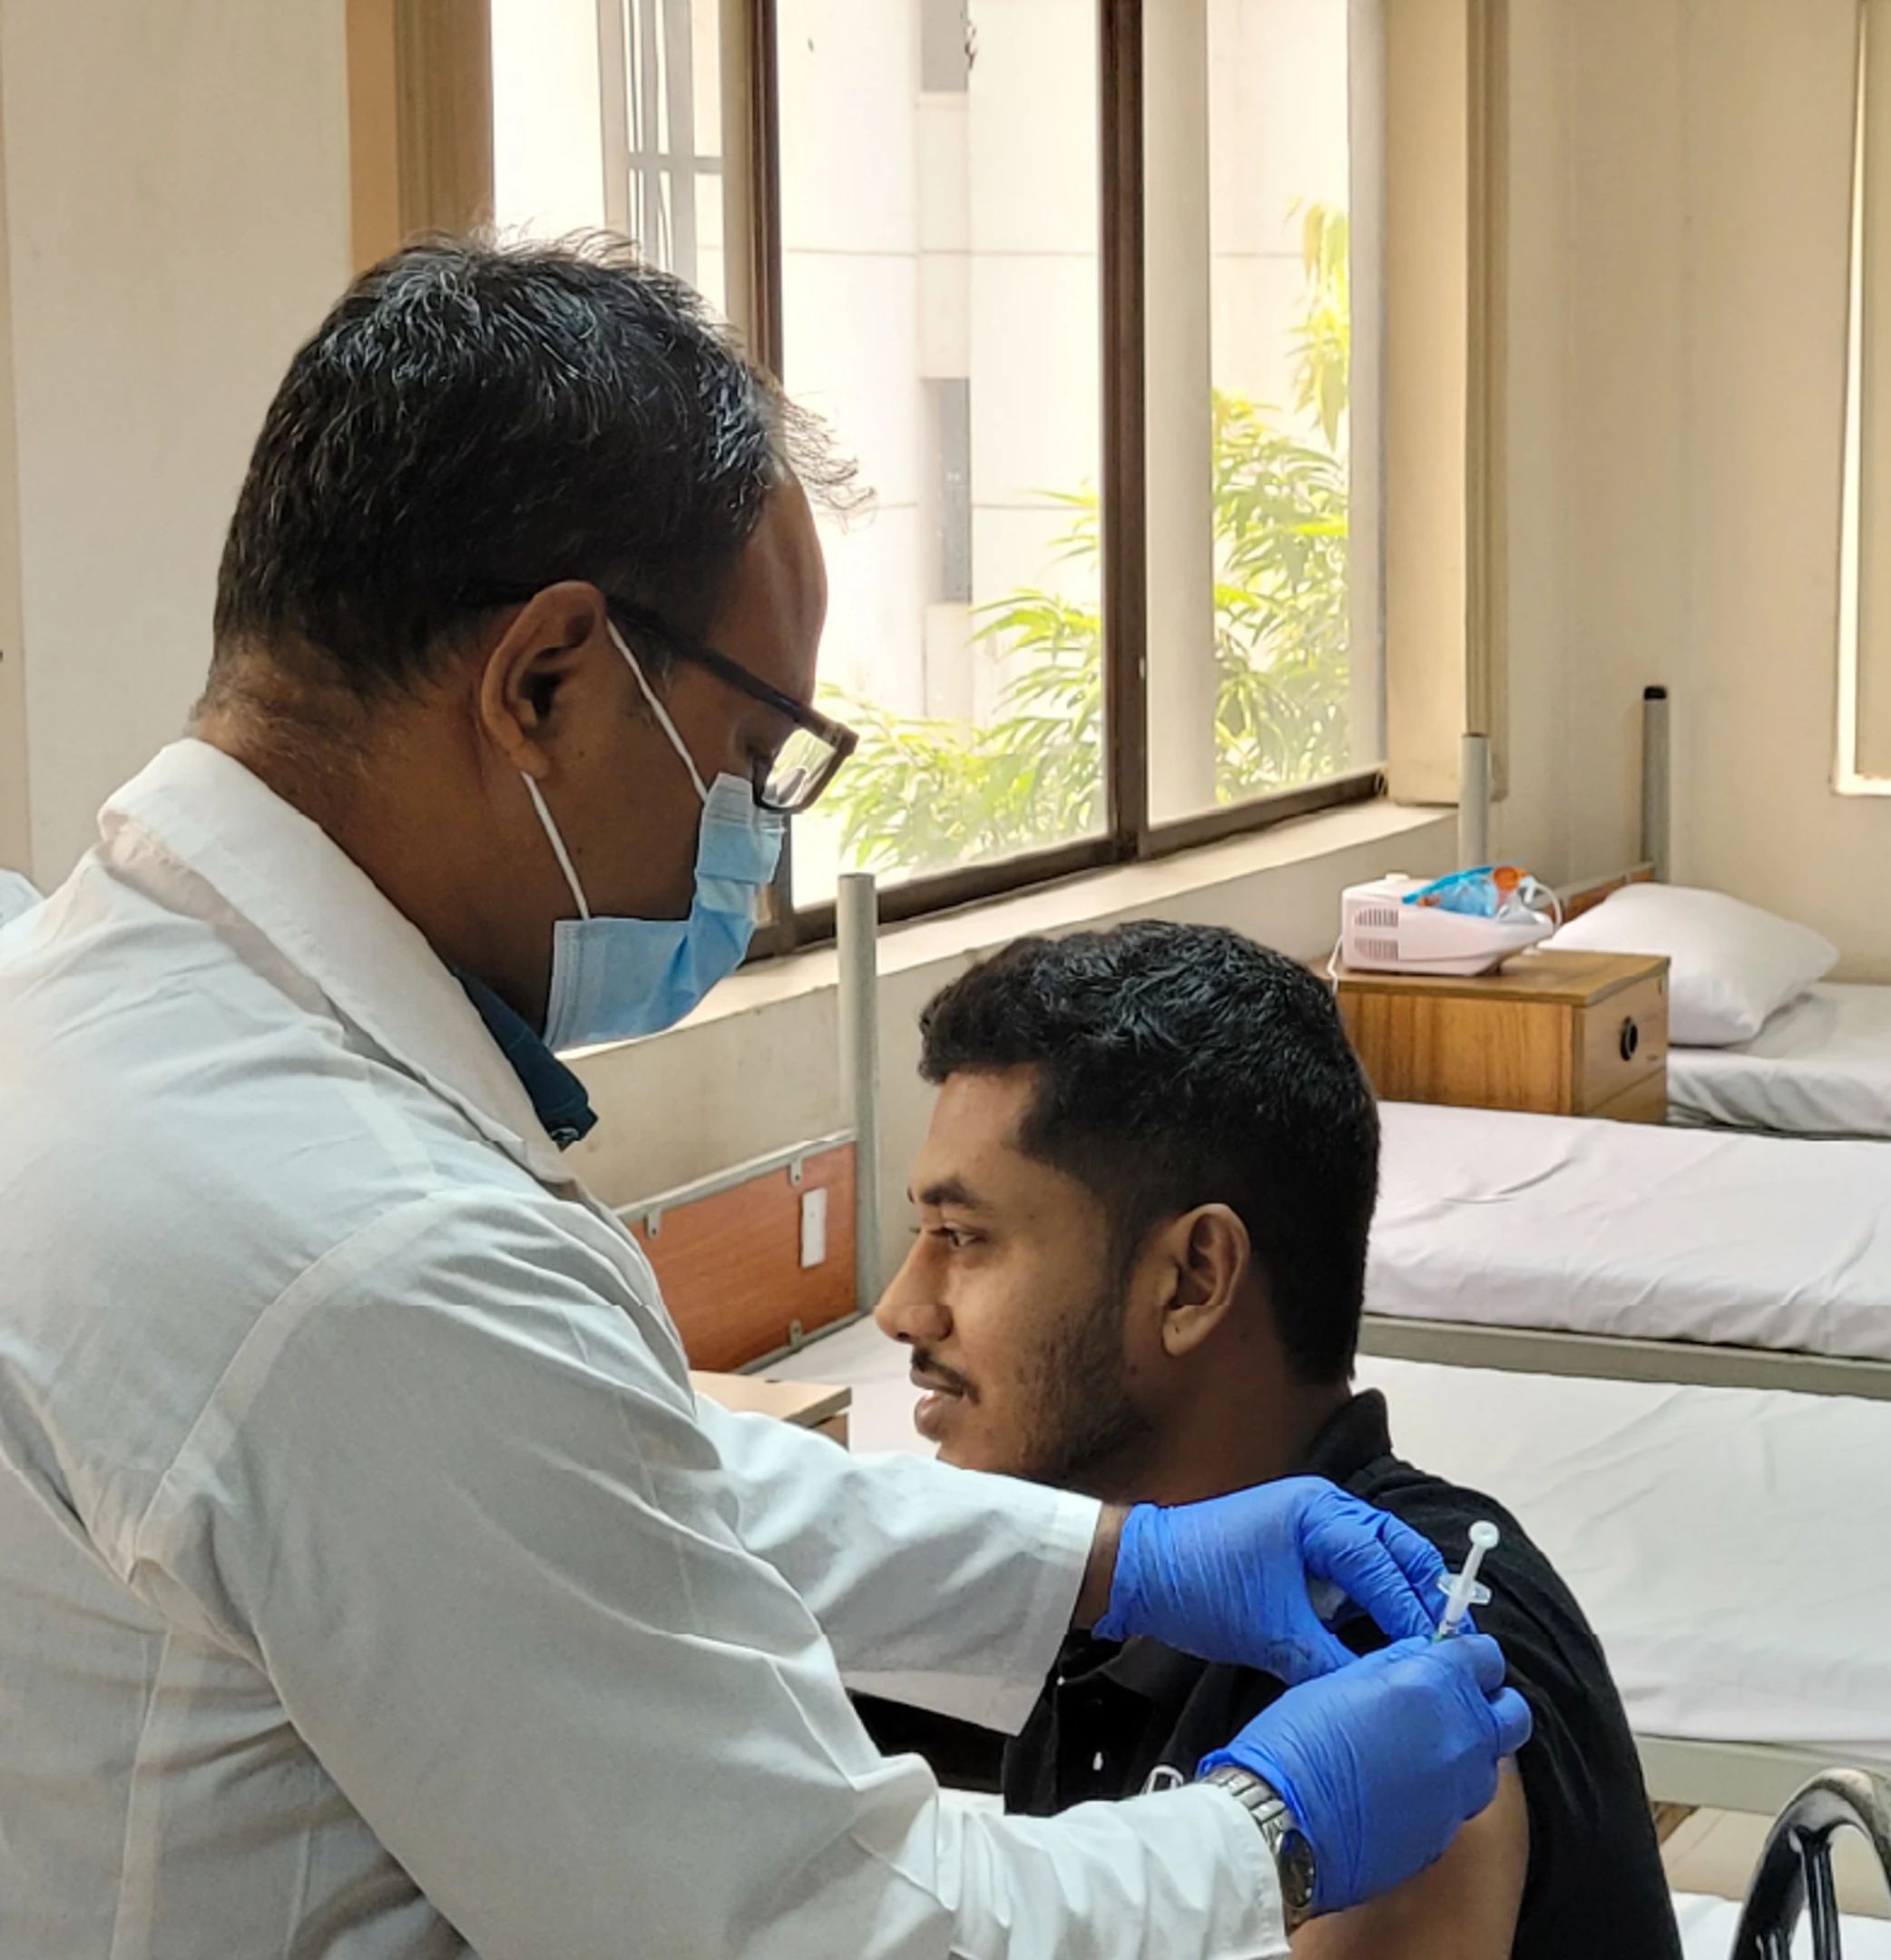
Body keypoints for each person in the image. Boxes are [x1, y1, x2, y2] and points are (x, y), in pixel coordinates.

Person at [0, 237, 1524, 1959]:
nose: (752, 844)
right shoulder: (377, 1259)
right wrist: (1273, 1830)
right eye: (748, 760)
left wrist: (1105, 1563)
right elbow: (827, 1932)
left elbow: (601, 1503)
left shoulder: (84, 1004)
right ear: (547, 679)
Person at [868, 920, 1682, 1960]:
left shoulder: (1408, 1686)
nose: (902, 1308)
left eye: (963, 1238)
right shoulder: (1096, 1590)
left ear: (1193, 1279)